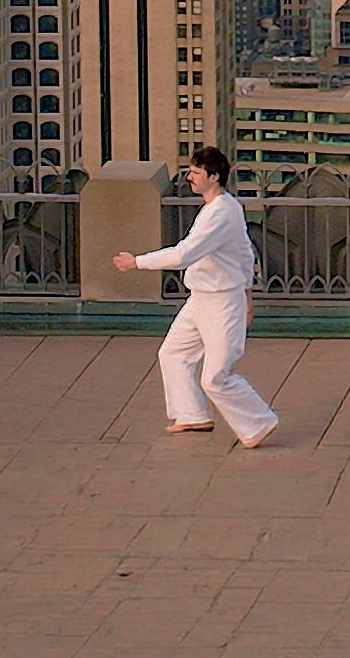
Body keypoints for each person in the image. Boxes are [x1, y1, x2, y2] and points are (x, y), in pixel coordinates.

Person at [111, 145, 280, 449]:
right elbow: (243, 254)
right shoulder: (219, 209)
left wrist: (136, 262)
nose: (189, 177)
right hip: (201, 297)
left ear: (214, 177)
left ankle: (259, 421)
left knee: (216, 377)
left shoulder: (221, 213)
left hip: (221, 302)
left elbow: (184, 254)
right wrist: (248, 294)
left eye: (196, 173)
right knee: (173, 354)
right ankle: (191, 415)